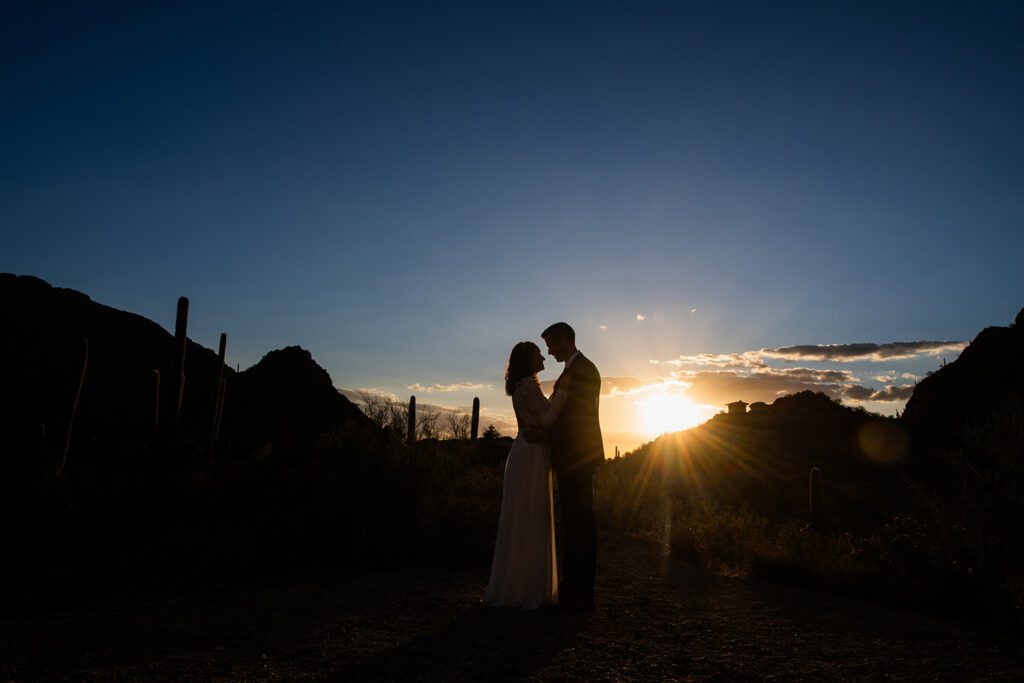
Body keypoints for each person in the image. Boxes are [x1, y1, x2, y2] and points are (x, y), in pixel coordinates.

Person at [484, 341, 571, 609]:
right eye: (538, 354)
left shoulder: (521, 386)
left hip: (525, 449)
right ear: (528, 360)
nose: (543, 358)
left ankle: (517, 583)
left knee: (522, 516)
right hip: (531, 452)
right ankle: (528, 589)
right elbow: (545, 419)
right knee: (531, 514)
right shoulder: (528, 386)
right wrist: (562, 394)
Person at [542, 322, 603, 612]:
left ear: (566, 339)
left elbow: (575, 417)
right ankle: (573, 584)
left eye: (552, 344)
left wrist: (544, 433)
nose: (550, 352)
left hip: (578, 455)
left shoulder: (585, 369)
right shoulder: (573, 369)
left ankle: (582, 590)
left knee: (581, 521)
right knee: (572, 520)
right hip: (573, 456)